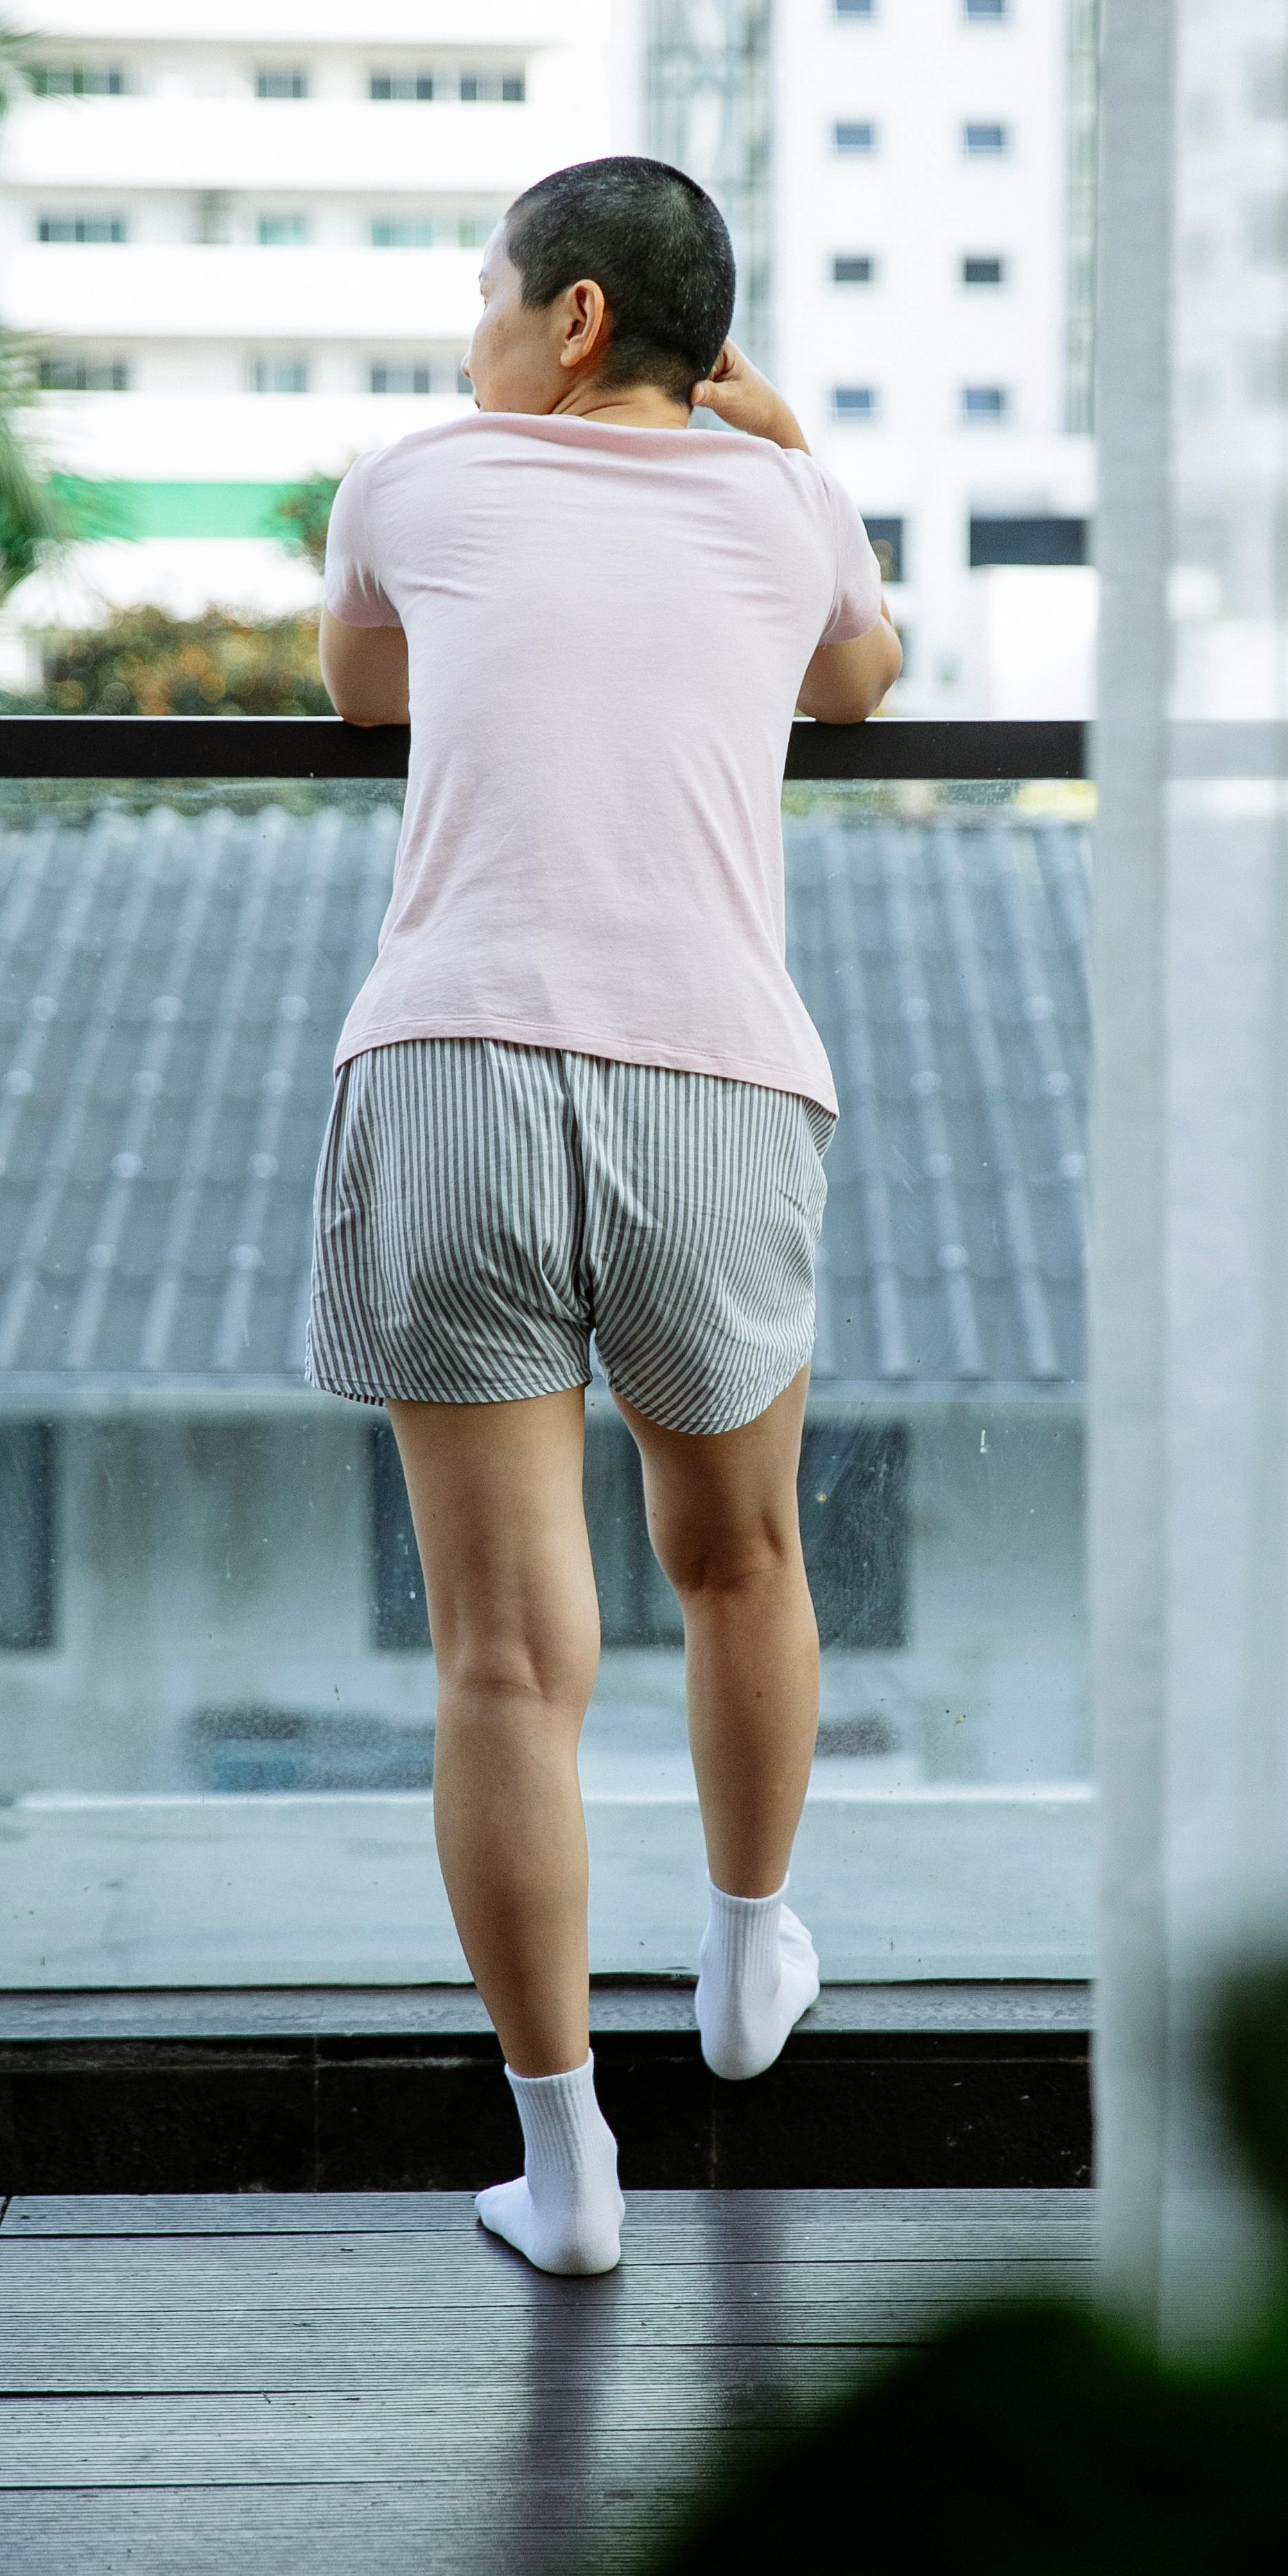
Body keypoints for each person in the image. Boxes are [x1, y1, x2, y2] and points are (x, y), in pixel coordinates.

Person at [307, 155, 902, 2277]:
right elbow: (861, 682)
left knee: (501, 1658)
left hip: (454, 1059)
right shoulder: (780, 507)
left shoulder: (416, 478)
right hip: (721, 1074)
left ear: (566, 321)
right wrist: (790, 454)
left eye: (486, 296)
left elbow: (363, 699)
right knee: (739, 1559)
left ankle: (565, 2176)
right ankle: (747, 1965)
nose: (469, 335)